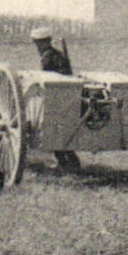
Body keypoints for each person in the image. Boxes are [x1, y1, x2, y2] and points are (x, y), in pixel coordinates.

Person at [32, 26, 81, 172]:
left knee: (52, 129)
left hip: (56, 96)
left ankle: (65, 162)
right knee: (63, 130)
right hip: (69, 94)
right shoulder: (58, 54)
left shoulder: (47, 57)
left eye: (38, 43)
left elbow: (47, 78)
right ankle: (70, 161)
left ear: (42, 42)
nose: (37, 46)